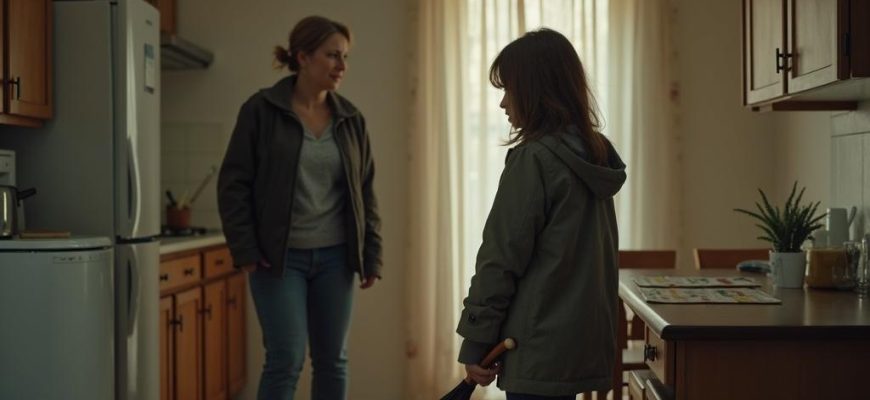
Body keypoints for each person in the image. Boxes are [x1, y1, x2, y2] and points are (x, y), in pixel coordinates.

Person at [455, 28, 626, 400]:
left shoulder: (535, 159)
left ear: (535, 90)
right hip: (578, 346)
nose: (503, 104)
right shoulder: (593, 154)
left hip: (536, 344)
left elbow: (500, 258)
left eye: (509, 89)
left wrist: (476, 341)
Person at [217, 15, 382, 400]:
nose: (342, 65)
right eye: (332, 55)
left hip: (336, 258)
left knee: (333, 360)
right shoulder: (261, 110)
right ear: (303, 57)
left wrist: (371, 253)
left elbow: (365, 192)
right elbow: (233, 185)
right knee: (285, 359)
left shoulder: (351, 119)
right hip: (278, 259)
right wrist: (245, 249)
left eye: (345, 57)